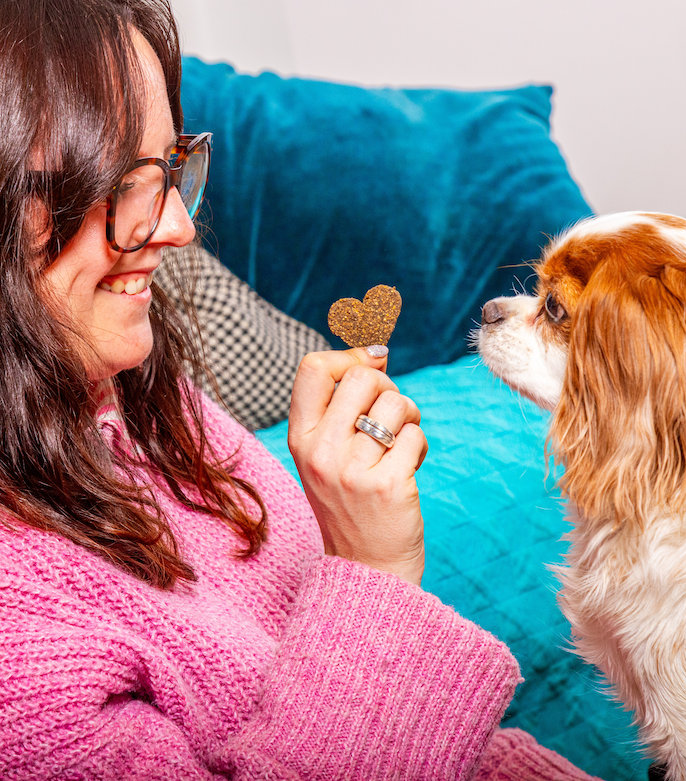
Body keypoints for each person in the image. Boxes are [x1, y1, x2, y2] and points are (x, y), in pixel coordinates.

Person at [0, 1, 603, 778]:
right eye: (121, 183)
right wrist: (374, 575)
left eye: (169, 168)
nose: (180, 227)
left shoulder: (144, 402)